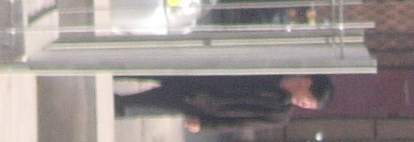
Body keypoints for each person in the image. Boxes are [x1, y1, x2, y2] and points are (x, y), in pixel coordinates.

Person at [112, 75, 334, 130]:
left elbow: (240, 123)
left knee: (136, 105)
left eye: (309, 106)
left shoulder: (279, 115)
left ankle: (114, 106)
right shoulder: (273, 71)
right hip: (202, 76)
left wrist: (205, 124)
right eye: (309, 100)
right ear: (306, 82)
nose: (304, 105)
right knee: (138, 69)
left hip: (201, 103)